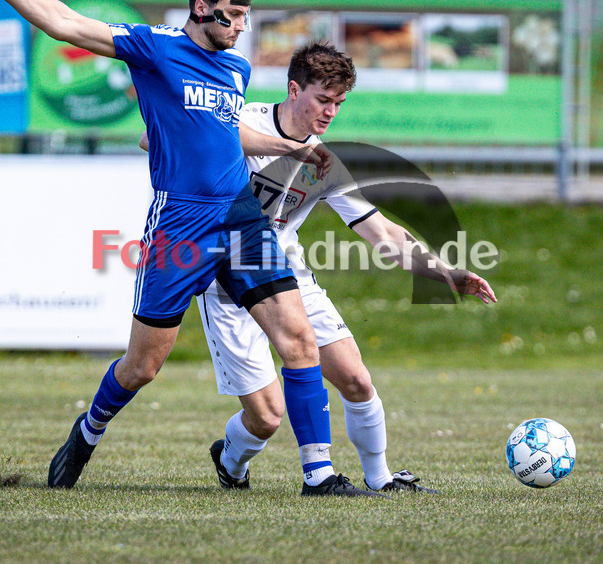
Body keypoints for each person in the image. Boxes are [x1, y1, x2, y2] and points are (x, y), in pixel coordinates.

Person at [0, 0, 380, 497]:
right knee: (143, 366)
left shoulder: (236, 67)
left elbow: (225, 131)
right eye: (236, 8)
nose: (243, 22)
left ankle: (319, 475)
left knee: (299, 339)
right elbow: (64, 23)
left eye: (249, 11)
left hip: (239, 218)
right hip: (180, 223)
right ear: (203, 7)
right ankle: (88, 431)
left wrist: (287, 148)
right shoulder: (155, 48)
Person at [196, 42, 497, 492]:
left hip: (287, 275)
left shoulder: (326, 164)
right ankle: (231, 461)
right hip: (229, 280)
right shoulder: (243, 120)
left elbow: (383, 233)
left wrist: (448, 273)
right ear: (294, 89)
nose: (331, 111)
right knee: (266, 417)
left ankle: (379, 478)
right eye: (323, 99)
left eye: (339, 102)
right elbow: (196, 135)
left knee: (356, 378)